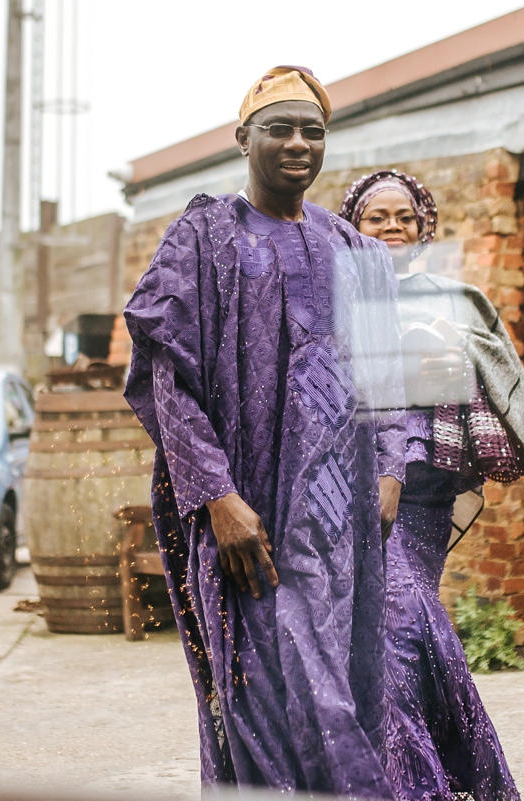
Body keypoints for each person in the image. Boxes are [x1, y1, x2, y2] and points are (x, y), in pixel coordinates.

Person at [123, 67, 406, 795]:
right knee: (261, 692)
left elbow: (387, 374)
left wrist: (390, 472)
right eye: (279, 127)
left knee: (338, 687)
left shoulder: (358, 255)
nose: (298, 143)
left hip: (337, 525)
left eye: (313, 130)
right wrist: (215, 495)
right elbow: (166, 374)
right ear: (242, 137)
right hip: (246, 522)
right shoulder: (204, 239)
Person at [340, 169, 524, 801]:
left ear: (424, 228)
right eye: (377, 217)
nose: (392, 227)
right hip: (343, 489)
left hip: (422, 495)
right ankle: (445, 780)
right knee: (393, 629)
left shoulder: (454, 300)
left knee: (394, 622)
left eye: (404, 217)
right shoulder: (333, 298)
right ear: (353, 227)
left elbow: (483, 389)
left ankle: (422, 781)